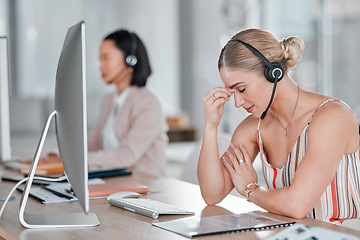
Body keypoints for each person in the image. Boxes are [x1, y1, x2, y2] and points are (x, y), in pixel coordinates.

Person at [197, 28, 360, 224]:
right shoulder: (252, 129)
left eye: (241, 89)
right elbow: (212, 195)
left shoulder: (333, 117)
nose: (238, 103)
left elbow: (297, 205)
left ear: (273, 73)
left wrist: (251, 189)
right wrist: (210, 126)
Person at [87, 29, 168, 176]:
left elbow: (127, 155)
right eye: (100, 60)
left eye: (106, 58)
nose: (100, 66)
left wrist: (81, 159)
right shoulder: (108, 100)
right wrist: (58, 156)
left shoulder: (148, 103)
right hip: (113, 180)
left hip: (146, 185)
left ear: (130, 60)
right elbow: (93, 143)